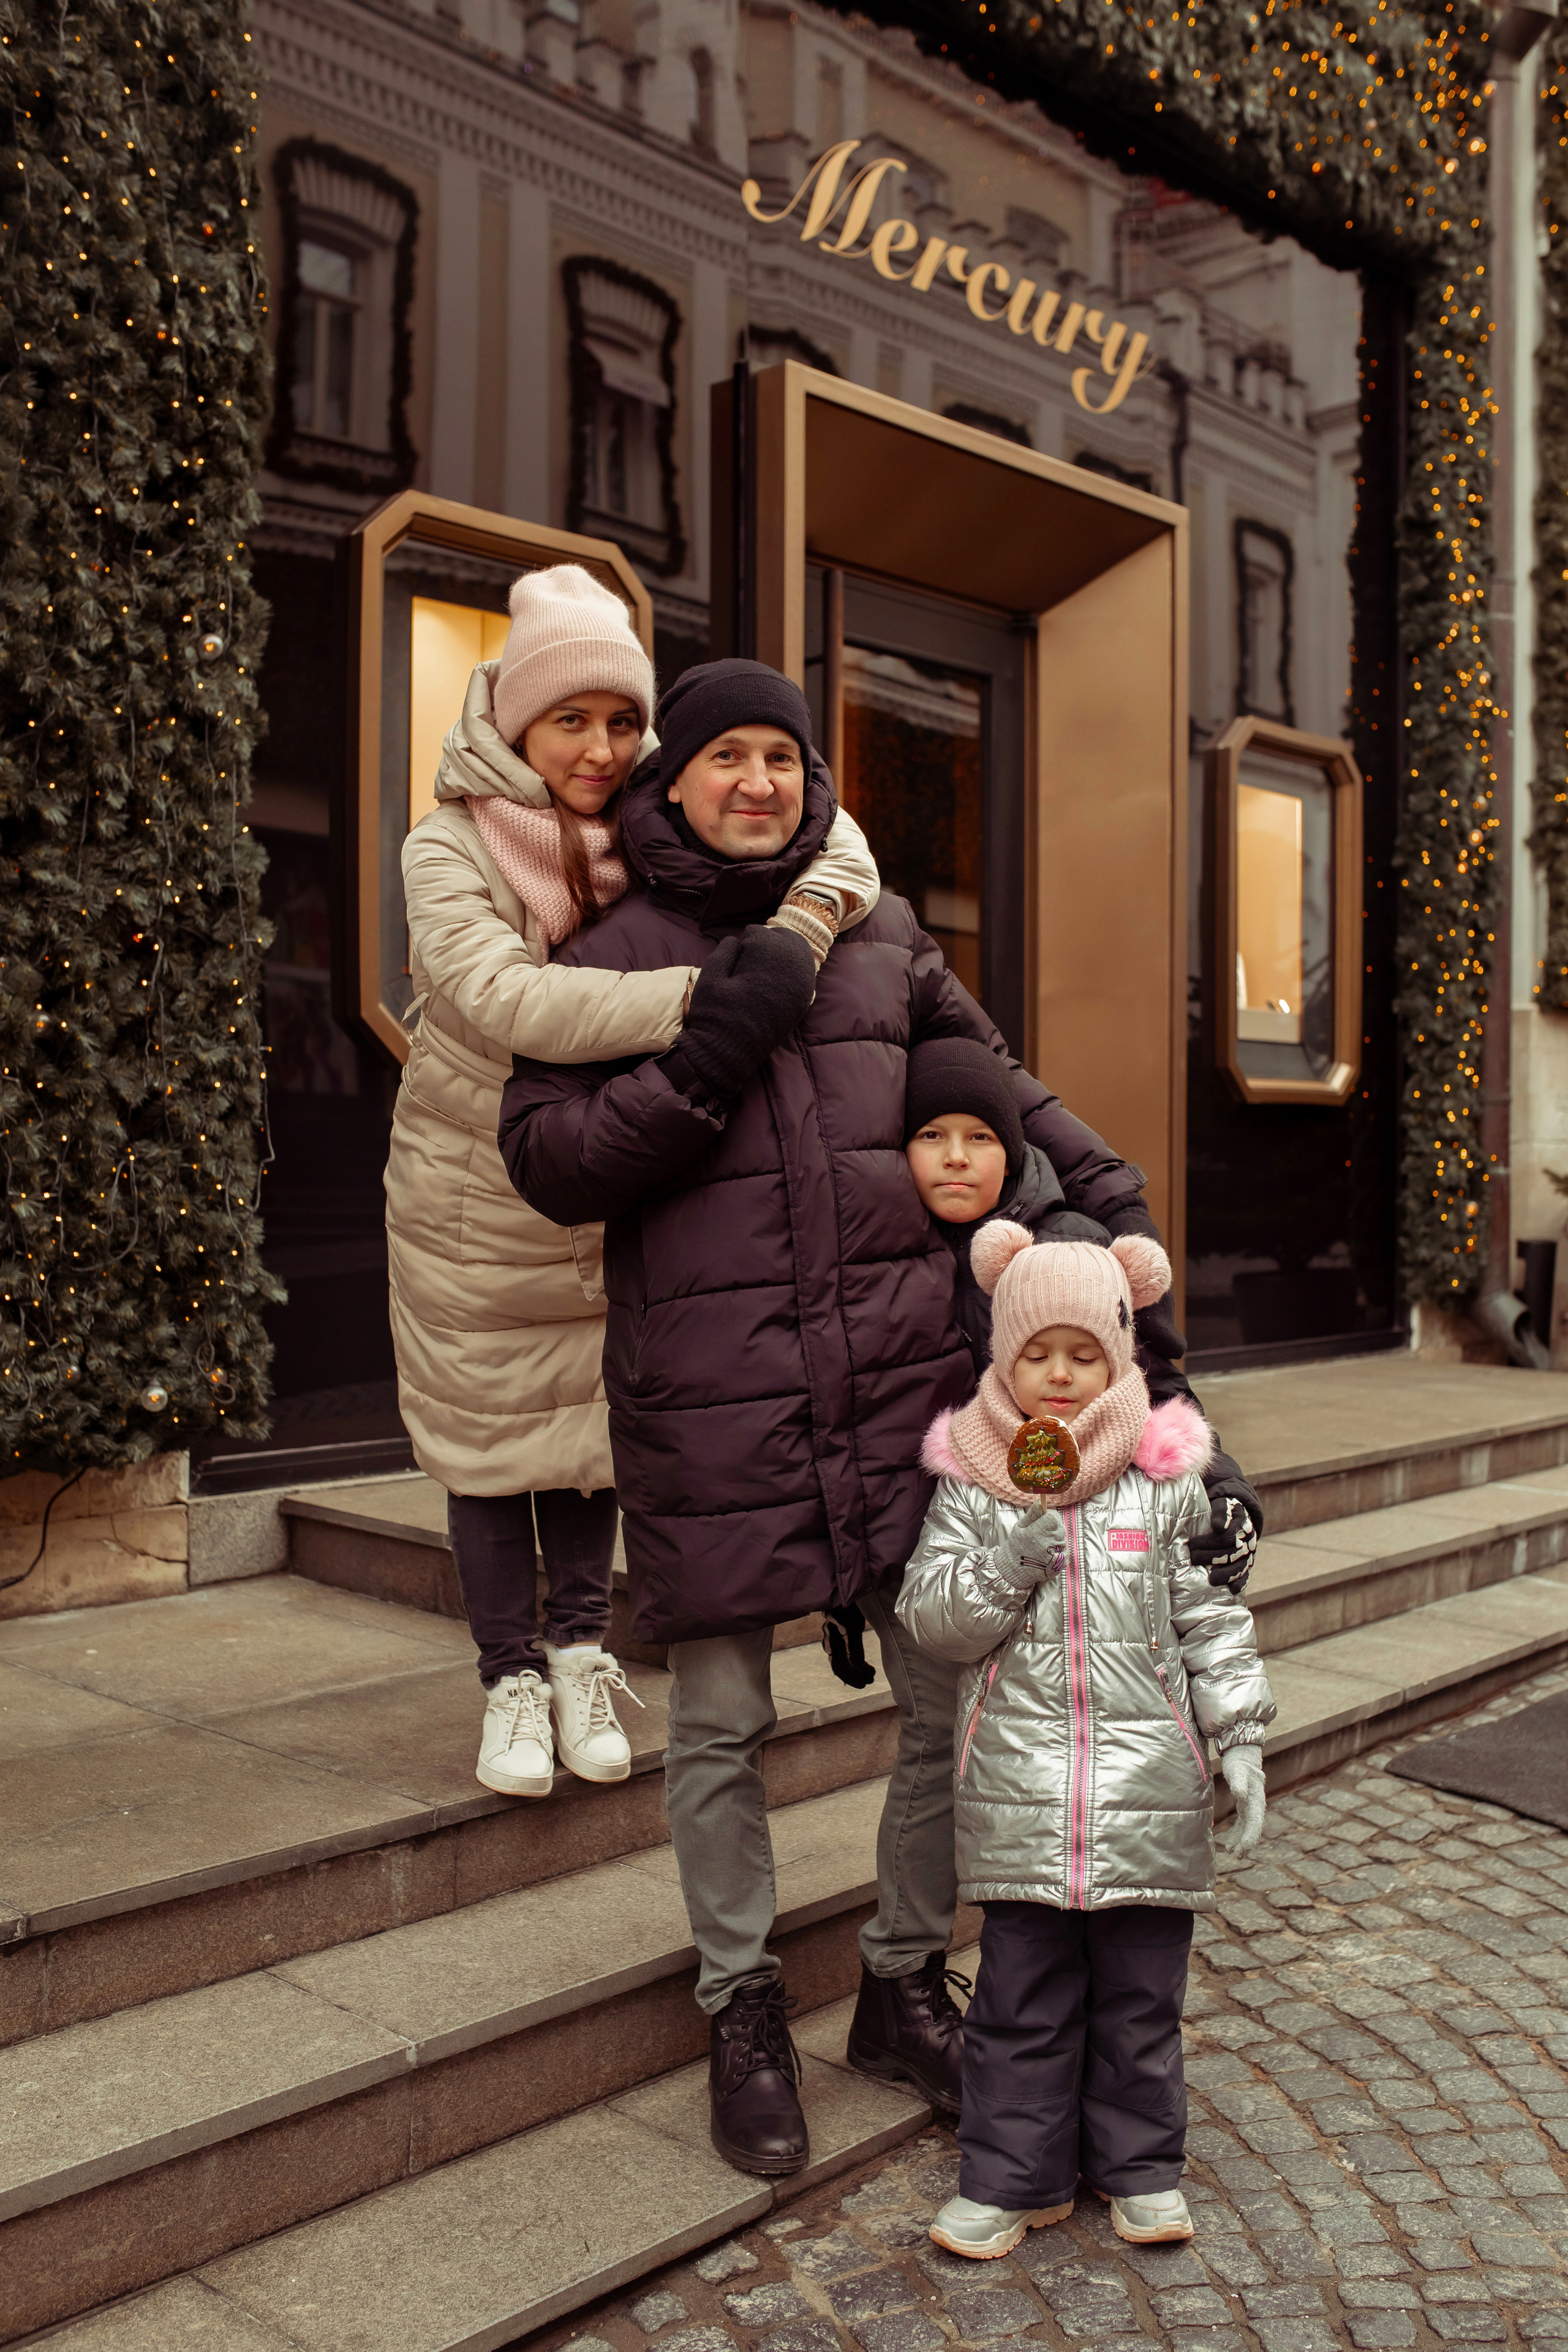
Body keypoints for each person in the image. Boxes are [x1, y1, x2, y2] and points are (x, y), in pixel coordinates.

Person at [499, 656, 1192, 2177]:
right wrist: (706, 1055)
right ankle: (738, 2002)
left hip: (897, 1385)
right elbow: (545, 1161)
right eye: (726, 756)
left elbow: (1003, 1091)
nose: (758, 781)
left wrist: (1112, 1206)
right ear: (666, 777)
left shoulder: (878, 937)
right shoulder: (606, 949)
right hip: (713, 1396)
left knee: (945, 1704)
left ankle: (896, 1978)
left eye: (783, 757)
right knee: (722, 1722)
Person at [386, 569, 876, 1800]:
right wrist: (714, 1001)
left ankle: (580, 1652)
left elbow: (834, 827)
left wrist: (801, 929)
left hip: (624, 1164)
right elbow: (500, 997)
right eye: (571, 722)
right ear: (515, 723)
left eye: (620, 721)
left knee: (599, 1432)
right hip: (478, 1187)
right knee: (496, 1439)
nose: (600, 749)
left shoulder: (662, 802)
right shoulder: (444, 847)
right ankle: (508, 1677)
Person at [897, 1226, 1275, 2258]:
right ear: (1003, 1357)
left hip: (1150, 1785)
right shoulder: (974, 1479)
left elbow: (1208, 1617)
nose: (1059, 1375)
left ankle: (1140, 2167)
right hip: (1022, 1792)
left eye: (1083, 1353)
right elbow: (935, 1621)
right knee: (1020, 2003)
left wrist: (1238, 1734)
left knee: (1141, 2001)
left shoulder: (1163, 1475)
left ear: (1119, 1356)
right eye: (1035, 1353)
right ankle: (1013, 2177)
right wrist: (1013, 1549)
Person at [900, 1036, 1264, 1592]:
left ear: (1013, 1148)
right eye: (931, 1135)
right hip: (947, 1546)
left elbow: (1151, 1382)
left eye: (981, 1136)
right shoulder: (881, 1257)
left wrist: (1223, 1489)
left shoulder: (1072, 1248)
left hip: (1089, 1540)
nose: (956, 1156)